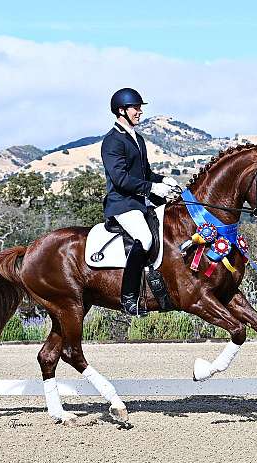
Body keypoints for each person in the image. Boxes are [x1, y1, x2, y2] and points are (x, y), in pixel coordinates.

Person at [101, 88, 179, 316]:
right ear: (122, 110)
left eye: (139, 108)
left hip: (141, 201)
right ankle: (128, 298)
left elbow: (144, 174)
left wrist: (163, 179)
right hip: (122, 204)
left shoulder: (138, 139)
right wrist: (153, 187)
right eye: (136, 108)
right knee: (144, 239)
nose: (140, 112)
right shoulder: (112, 141)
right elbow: (120, 178)